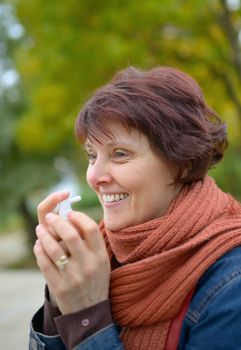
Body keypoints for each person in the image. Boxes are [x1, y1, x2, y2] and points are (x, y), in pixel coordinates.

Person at [29, 66, 241, 350]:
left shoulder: (231, 286)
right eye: (92, 155)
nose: (94, 176)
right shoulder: (100, 257)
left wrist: (86, 318)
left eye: (119, 154)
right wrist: (60, 296)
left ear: (184, 161)